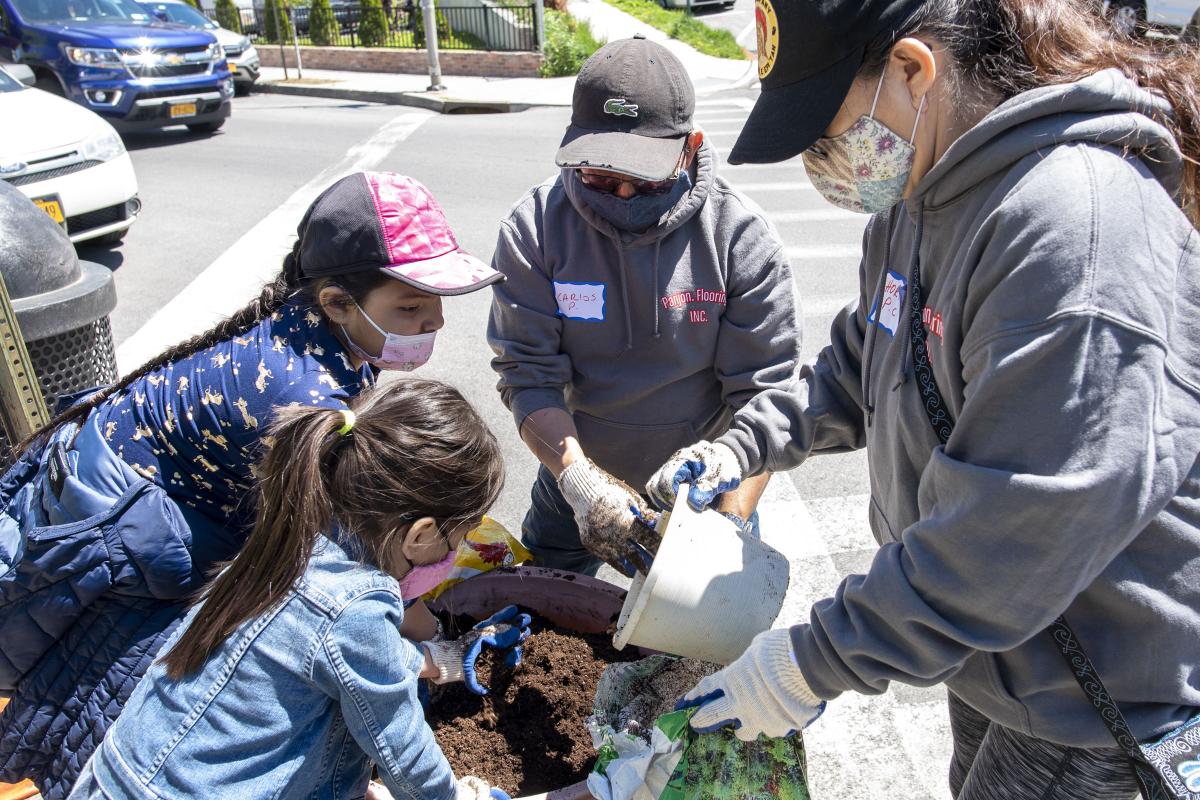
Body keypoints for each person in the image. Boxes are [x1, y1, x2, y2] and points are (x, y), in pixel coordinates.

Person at [651, 0, 1200, 797]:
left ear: (914, 70)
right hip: (994, 653)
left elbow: (1015, 533)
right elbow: (861, 359)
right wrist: (742, 445)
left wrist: (811, 662)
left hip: (1092, 702)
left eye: (825, 127)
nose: (822, 156)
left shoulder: (1074, 230)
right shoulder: (921, 196)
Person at [0, 171, 504, 798]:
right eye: (410, 308)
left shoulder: (327, 338)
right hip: (124, 516)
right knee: (121, 685)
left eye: (437, 307)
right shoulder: (303, 401)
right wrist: (419, 632)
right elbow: (337, 559)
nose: (433, 323)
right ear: (336, 302)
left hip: (167, 495)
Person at [67, 380, 520, 800]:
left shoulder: (293, 544)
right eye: (459, 539)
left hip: (121, 776)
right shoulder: (355, 605)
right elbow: (402, 747)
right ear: (421, 535)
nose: (456, 554)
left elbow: (345, 657)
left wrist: (442, 662)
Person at [488, 36, 801, 577]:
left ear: (690, 146)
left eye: (645, 176)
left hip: (705, 483)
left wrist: (726, 522)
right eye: (602, 175)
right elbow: (527, 375)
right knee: (542, 617)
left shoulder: (739, 237)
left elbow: (764, 398)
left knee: (696, 648)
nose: (624, 195)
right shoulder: (535, 228)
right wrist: (580, 483)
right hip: (575, 466)